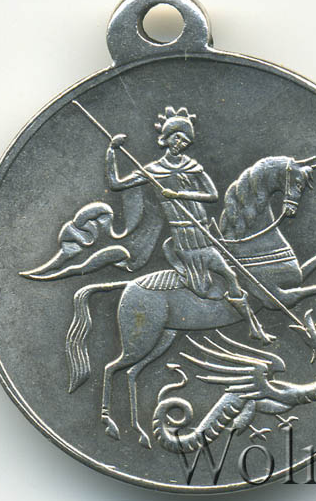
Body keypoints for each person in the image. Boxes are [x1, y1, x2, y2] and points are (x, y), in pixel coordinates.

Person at [105, 106, 270, 342]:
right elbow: (115, 184)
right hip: (183, 239)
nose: (180, 143)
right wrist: (112, 151)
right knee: (201, 286)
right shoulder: (153, 171)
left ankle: (254, 327)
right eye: (176, 137)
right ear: (165, 138)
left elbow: (212, 195)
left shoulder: (193, 167)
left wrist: (179, 194)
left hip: (202, 233)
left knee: (230, 275)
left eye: (184, 140)